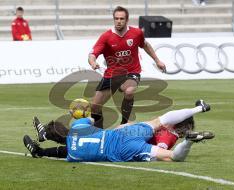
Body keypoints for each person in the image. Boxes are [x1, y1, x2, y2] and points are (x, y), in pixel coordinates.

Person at [23, 100, 214, 162]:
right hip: (122, 141)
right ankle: (199, 110)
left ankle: (189, 138)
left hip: (121, 143)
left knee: (168, 150)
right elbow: (89, 120)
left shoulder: (73, 152)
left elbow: (69, 145)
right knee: (162, 128)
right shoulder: (75, 134)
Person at [88, 6, 166, 128]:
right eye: (116, 18)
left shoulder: (136, 33)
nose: (118, 21)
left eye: (121, 19)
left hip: (131, 72)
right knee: (95, 107)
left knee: (129, 91)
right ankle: (99, 133)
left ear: (127, 20)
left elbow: (145, 45)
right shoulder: (106, 36)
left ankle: (124, 123)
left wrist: (157, 60)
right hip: (111, 75)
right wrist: (93, 62)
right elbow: (92, 54)